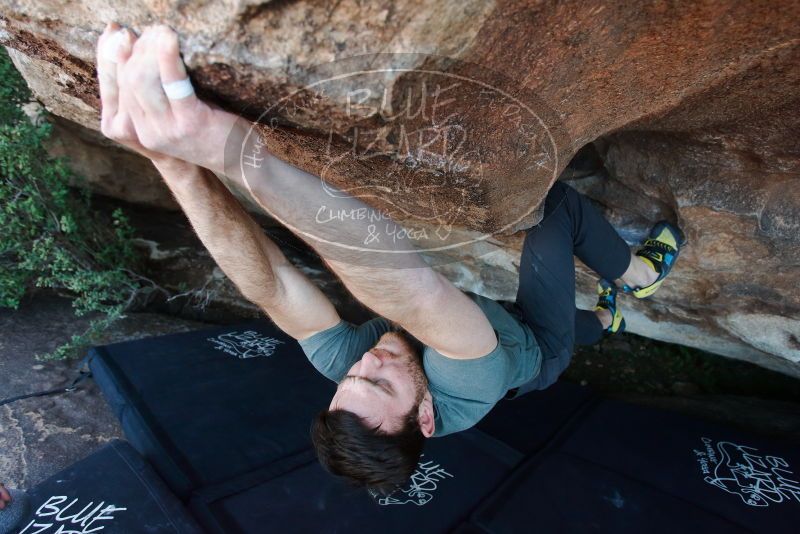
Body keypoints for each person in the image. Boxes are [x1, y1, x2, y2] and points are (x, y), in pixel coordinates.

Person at [95, 23, 684, 494]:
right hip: (534, 348)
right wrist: (240, 158)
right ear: (426, 417)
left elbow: (273, 286)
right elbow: (413, 291)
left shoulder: (354, 380)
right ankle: (639, 275)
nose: (368, 359)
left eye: (354, 375)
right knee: (558, 214)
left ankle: (607, 319)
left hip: (492, 327)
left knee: (588, 322)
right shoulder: (468, 389)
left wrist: (177, 166)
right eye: (380, 380)